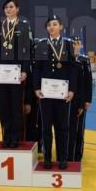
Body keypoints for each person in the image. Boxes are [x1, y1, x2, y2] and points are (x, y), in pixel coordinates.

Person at [33, 15, 78, 169]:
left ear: (61, 27)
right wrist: (36, 88)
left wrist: (72, 90)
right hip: (45, 94)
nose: (51, 27)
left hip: (62, 94)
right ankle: (47, 157)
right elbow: (37, 68)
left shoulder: (68, 45)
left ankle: (62, 158)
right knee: (46, 127)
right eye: (49, 25)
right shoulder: (41, 45)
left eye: (54, 24)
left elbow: (73, 69)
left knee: (62, 127)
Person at [0, 0, 33, 148]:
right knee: (4, 107)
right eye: (7, 7)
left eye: (12, 7)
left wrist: (26, 71)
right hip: (0, 74)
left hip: (16, 73)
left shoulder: (24, 27)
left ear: (17, 9)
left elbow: (27, 51)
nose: (9, 9)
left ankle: (15, 137)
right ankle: (6, 136)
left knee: (16, 107)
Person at [68, 35, 92, 162]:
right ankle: (68, 153)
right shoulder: (67, 58)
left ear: (81, 45)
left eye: (77, 43)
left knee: (79, 129)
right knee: (68, 128)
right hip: (68, 99)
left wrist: (88, 100)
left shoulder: (84, 60)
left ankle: (78, 155)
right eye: (73, 43)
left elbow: (88, 81)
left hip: (81, 99)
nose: (75, 45)